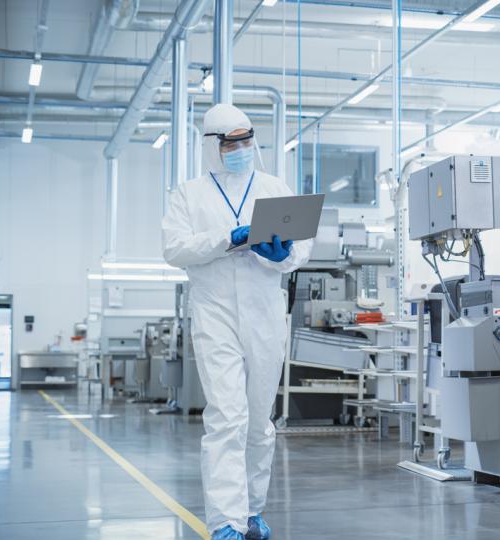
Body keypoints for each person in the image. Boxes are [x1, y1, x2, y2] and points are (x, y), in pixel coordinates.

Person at [163, 104, 313, 540]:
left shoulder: (273, 187)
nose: (242, 149)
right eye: (232, 143)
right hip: (215, 314)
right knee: (227, 418)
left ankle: (252, 512)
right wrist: (226, 239)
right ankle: (225, 521)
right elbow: (174, 249)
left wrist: (284, 255)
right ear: (213, 146)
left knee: (259, 420)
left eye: (247, 141)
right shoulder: (188, 195)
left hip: (265, 312)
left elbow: (301, 246)